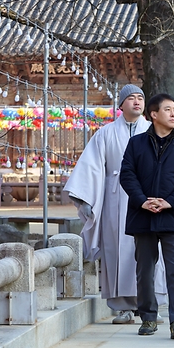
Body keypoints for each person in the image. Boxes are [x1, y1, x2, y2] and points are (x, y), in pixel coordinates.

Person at [64, 84, 149, 324]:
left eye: (140, 98)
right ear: (121, 105)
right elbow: (91, 166)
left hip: (149, 196)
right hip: (116, 197)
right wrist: (85, 198)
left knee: (149, 250)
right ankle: (123, 307)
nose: (136, 102)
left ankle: (149, 305)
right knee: (117, 248)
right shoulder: (106, 133)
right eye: (131, 98)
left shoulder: (153, 131)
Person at [119, 93, 174, 340]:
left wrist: (169, 202)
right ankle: (148, 318)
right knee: (145, 270)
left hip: (172, 215)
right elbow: (127, 175)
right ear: (153, 115)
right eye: (168, 110)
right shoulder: (136, 143)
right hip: (142, 215)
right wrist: (142, 200)